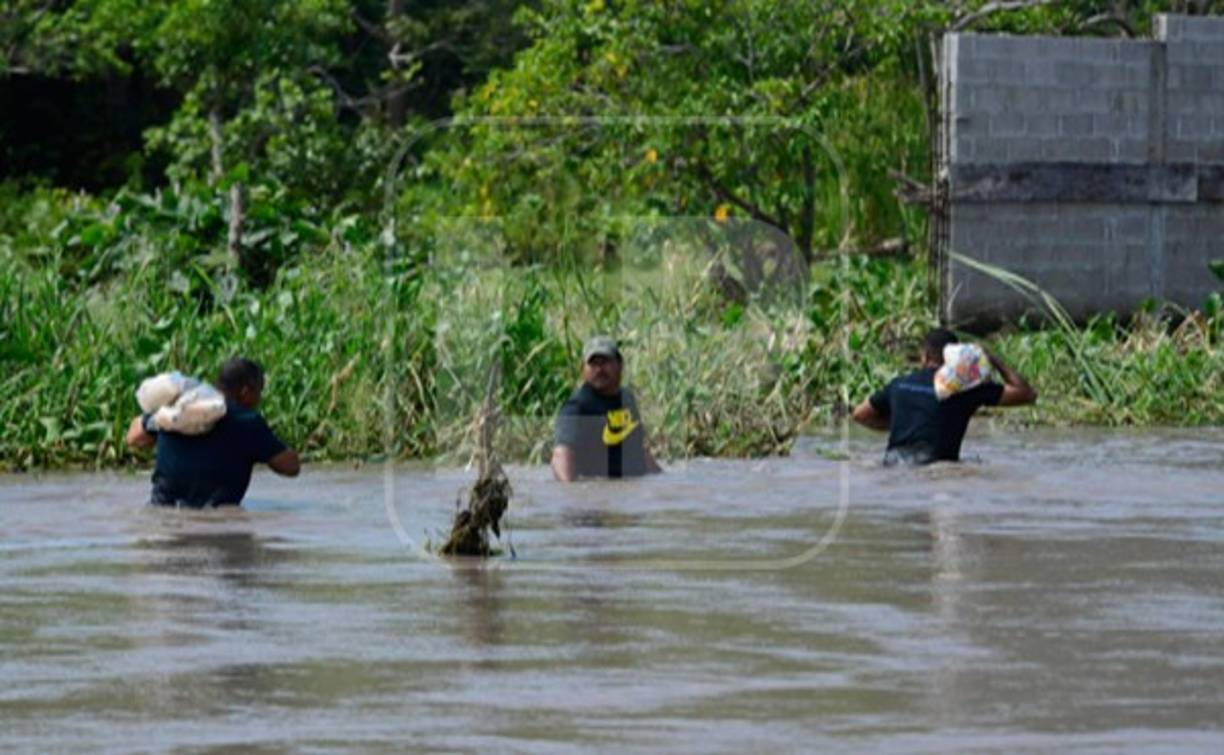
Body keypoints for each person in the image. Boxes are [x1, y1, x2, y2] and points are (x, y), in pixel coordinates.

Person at [125, 357, 301, 506]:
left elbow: (133, 437)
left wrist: (155, 423)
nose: (259, 399)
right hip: (216, 525)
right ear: (246, 392)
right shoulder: (247, 422)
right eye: (259, 392)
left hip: (162, 517)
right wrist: (267, 445)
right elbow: (291, 467)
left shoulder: (176, 409)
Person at [851, 328, 1036, 465]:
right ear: (956, 357)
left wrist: (908, 422)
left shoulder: (899, 384)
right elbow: (1025, 393)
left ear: (924, 356)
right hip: (935, 467)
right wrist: (991, 358)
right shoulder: (964, 388)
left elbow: (859, 414)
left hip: (892, 464)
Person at [551, 336, 663, 481]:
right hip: (594, 490)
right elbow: (561, 455)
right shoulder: (577, 407)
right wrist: (571, 492)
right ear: (582, 369)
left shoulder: (627, 399)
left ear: (620, 364)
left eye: (605, 362)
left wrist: (664, 481)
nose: (599, 369)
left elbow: (639, 452)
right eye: (593, 364)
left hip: (627, 490)